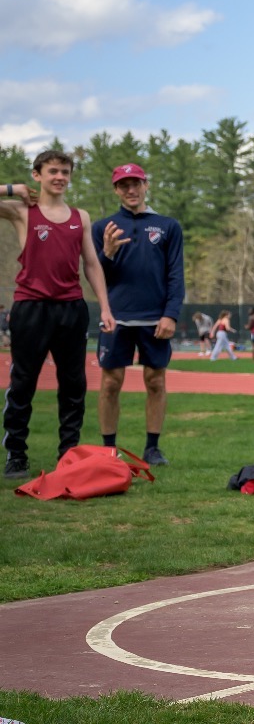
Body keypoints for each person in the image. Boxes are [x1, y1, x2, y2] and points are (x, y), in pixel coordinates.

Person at [2, 152, 115, 479]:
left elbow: (91, 264)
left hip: (71, 309)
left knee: (73, 384)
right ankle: (16, 456)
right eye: (53, 171)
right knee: (22, 383)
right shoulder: (23, 211)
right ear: (37, 175)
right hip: (30, 308)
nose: (60, 177)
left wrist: (105, 307)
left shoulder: (81, 216)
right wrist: (12, 188)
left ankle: (69, 454)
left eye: (65, 172)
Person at [93, 163, 183, 466]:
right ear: (116, 189)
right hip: (116, 319)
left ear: (146, 185)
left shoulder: (168, 226)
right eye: (123, 185)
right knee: (110, 383)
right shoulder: (102, 228)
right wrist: (107, 253)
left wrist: (170, 314)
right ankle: (109, 450)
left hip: (155, 320)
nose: (131, 190)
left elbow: (175, 275)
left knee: (155, 381)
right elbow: (95, 276)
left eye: (136, 184)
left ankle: (152, 448)